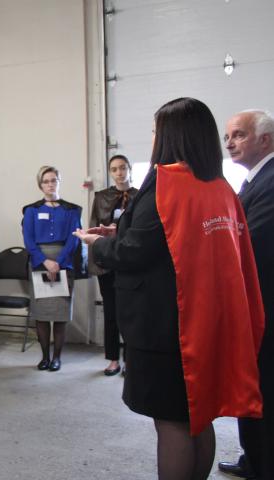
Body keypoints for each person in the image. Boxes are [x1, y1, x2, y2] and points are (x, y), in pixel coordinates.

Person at [75, 97, 264, 480]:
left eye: (156, 130)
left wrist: (100, 244)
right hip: (206, 321)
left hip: (165, 324)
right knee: (198, 415)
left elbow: (135, 251)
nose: (152, 137)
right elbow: (170, 237)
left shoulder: (167, 184)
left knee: (172, 423)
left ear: (171, 136)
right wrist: (121, 230)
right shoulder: (219, 188)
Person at [218, 109, 274, 480]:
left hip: (264, 305)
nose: (229, 142)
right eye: (228, 136)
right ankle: (252, 457)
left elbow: (250, 246)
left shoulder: (270, 181)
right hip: (253, 303)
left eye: (239, 135)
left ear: (265, 139)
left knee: (261, 386)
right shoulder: (254, 180)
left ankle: (262, 464)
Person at [22, 166, 82, 372]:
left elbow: (74, 239)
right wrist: (45, 262)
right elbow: (28, 241)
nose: (50, 184)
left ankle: (57, 358)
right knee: (42, 314)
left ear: (59, 181)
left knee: (59, 314)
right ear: (40, 185)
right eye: (46, 181)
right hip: (40, 263)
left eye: (53, 180)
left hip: (64, 263)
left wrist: (58, 262)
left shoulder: (72, 210)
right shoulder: (31, 210)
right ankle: (44, 357)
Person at [88, 155, 138, 376]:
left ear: (129, 169)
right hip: (107, 262)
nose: (119, 172)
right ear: (110, 172)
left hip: (130, 261)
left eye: (123, 168)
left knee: (132, 312)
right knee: (111, 312)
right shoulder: (101, 197)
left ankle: (131, 360)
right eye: (115, 169)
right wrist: (96, 259)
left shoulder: (140, 195)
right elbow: (92, 228)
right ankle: (112, 360)